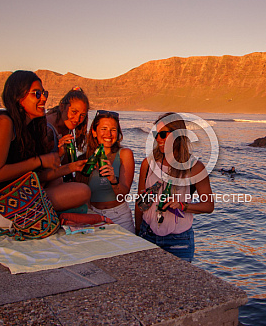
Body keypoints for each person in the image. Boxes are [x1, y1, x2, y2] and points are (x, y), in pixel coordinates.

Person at [0, 70, 91, 230]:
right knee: (82, 192)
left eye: (43, 93)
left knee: (69, 185)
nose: (44, 98)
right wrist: (39, 161)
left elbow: (36, 176)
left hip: (14, 196)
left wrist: (71, 167)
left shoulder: (30, 128)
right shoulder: (3, 122)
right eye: (37, 94)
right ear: (18, 96)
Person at [135, 113, 214, 261]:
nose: (158, 139)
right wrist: (138, 231)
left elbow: (209, 206)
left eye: (163, 134)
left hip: (179, 241)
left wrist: (183, 206)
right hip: (147, 234)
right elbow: (140, 203)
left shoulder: (195, 168)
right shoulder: (148, 164)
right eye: (156, 134)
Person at [77, 110, 135, 232]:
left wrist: (113, 180)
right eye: (104, 128)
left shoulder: (125, 154)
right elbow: (82, 196)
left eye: (113, 130)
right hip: (93, 214)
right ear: (94, 132)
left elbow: (123, 195)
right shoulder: (83, 160)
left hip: (119, 216)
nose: (108, 134)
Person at [46, 87, 90, 175]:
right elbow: (41, 169)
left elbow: (66, 165)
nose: (77, 119)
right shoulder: (47, 129)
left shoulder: (66, 127)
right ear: (62, 106)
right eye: (74, 112)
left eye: (82, 115)